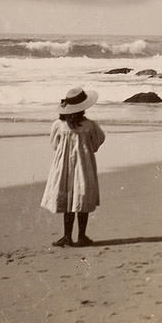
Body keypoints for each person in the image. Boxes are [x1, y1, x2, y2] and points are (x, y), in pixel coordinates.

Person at [40, 86, 106, 247]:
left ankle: (67, 236)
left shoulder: (58, 124)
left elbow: (54, 144)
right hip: (84, 165)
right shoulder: (90, 125)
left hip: (63, 165)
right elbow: (97, 142)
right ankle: (82, 236)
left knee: (68, 197)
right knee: (81, 197)